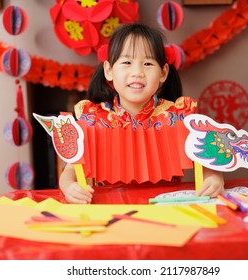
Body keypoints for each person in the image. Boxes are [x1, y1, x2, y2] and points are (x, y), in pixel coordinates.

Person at [59, 23, 224, 204]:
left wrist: (214, 179)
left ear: (163, 72)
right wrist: (70, 188)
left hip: (167, 209)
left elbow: (208, 160)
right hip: (110, 211)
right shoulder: (93, 120)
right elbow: (69, 173)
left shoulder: (178, 117)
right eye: (127, 62)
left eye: (147, 63)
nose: (137, 72)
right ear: (109, 70)